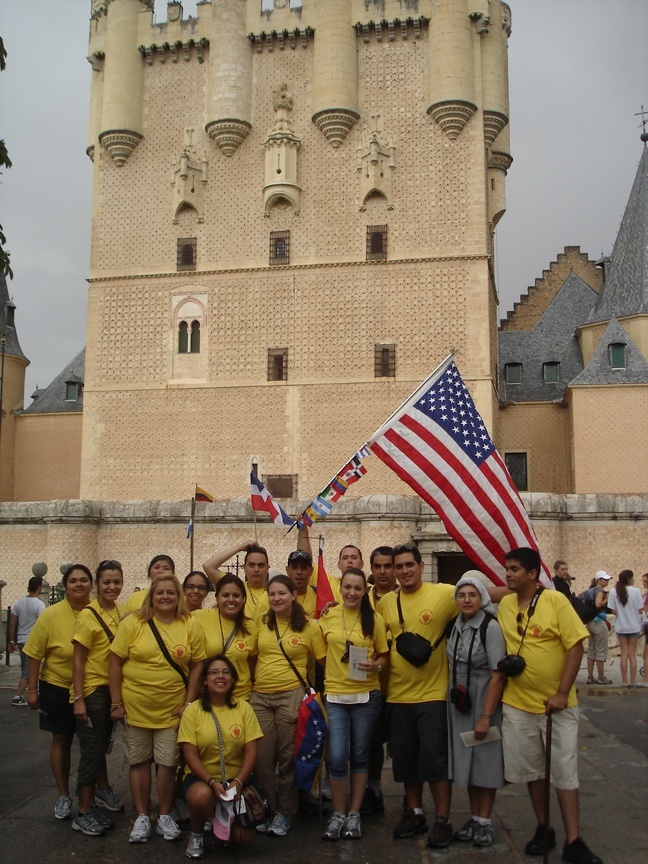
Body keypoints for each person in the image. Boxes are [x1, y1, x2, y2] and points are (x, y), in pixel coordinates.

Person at [498, 547, 602, 864]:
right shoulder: (504, 604)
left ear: (533, 574)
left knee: (564, 772)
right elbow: (470, 592)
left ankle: (574, 840)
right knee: (533, 771)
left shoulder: (556, 601)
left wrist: (561, 692)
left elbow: (576, 646)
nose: (509, 574)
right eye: (507, 569)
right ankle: (544, 827)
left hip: (557, 706)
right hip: (517, 704)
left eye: (515, 569)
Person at [109, 572, 206, 844]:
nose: (165, 597)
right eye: (160, 592)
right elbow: (115, 660)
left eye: (171, 593)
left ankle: (164, 814)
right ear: (152, 596)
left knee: (167, 763)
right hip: (135, 706)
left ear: (179, 597)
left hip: (172, 709)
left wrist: (189, 701)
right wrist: (116, 702)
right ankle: (142, 815)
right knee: (138, 761)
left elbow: (198, 663)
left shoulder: (190, 624)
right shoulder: (134, 624)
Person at [376, 543, 457, 848]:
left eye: (410, 565)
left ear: (422, 566)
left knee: (436, 760)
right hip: (398, 695)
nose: (404, 571)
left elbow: (483, 593)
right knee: (406, 762)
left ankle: (442, 819)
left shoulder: (443, 594)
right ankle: (416, 812)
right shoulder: (386, 602)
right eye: (399, 567)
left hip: (433, 695)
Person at [314, 568, 389, 841]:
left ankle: (354, 814)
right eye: (347, 587)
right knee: (336, 757)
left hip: (366, 695)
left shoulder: (375, 619)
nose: (352, 593)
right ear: (341, 588)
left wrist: (375, 666)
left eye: (358, 588)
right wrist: (337, 670)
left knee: (359, 755)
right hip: (335, 696)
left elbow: (383, 655)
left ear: (364, 591)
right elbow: (321, 655)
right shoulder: (328, 616)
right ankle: (338, 813)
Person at [249, 574, 319, 837]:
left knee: (287, 757)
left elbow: (323, 659)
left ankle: (285, 812)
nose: (276, 598)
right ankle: (266, 807)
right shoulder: (262, 623)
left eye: (281, 593)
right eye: (272, 594)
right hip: (260, 696)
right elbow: (253, 656)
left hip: (291, 694)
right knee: (262, 759)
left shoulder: (310, 627)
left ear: (293, 595)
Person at [23, 564, 93, 821]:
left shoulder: (97, 612)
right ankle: (63, 795)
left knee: (92, 745)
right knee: (61, 740)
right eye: (73, 580)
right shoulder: (51, 615)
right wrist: (32, 689)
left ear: (91, 585)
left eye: (84, 580)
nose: (79, 585)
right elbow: (33, 653)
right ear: (65, 585)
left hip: (90, 688)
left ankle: (93, 795)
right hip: (57, 686)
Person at [178, 654, 263, 859]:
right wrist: (212, 781)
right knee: (201, 796)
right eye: (214, 672)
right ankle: (197, 832)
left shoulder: (243, 708)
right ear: (205, 681)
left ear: (233, 679)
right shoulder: (193, 711)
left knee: (243, 838)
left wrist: (239, 782)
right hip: (203, 780)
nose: (220, 676)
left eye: (226, 672)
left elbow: (252, 750)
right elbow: (189, 754)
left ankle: (223, 824)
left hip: (236, 782)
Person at [446, 576, 506, 848]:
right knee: (468, 759)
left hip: (484, 699)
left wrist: (485, 716)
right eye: (462, 595)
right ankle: (474, 816)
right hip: (461, 700)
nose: (466, 600)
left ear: (482, 598)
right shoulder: (457, 625)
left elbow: (498, 673)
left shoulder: (490, 627)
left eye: (472, 595)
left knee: (486, 759)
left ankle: (485, 820)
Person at [71, 560, 125, 836]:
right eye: (106, 582)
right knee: (91, 752)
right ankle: (82, 810)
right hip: (91, 691)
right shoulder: (88, 615)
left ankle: (92, 803)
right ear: (96, 585)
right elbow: (78, 661)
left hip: (108, 690)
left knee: (100, 747)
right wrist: (78, 698)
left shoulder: (118, 612)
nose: (112, 587)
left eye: (116, 582)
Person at [363, 545, 397, 814]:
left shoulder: (404, 596)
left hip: (402, 686)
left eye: (389, 566)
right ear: (371, 569)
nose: (383, 571)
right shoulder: (361, 598)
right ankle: (372, 788)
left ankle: (411, 798)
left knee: (403, 745)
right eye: (378, 566)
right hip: (371, 685)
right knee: (372, 742)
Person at [192, 573, 258, 701]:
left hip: (241, 697)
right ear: (217, 598)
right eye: (225, 595)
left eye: (236, 596)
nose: (231, 600)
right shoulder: (199, 617)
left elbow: (252, 662)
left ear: (243, 599)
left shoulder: (250, 626)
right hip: (209, 696)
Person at [203, 542, 269, 619]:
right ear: (244, 568)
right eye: (251, 565)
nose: (256, 569)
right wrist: (239, 547)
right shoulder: (236, 588)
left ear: (268, 568)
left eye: (260, 565)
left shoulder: (275, 593)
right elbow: (208, 566)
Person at [8, 575, 45, 705]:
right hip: (32, 641)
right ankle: (17, 696)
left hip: (21, 640)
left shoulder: (19, 603)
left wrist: (11, 641)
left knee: (27, 667)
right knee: (28, 670)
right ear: (39, 587)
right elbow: (42, 624)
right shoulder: (39, 604)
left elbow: (12, 623)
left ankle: (33, 690)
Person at [607, 569, 644, 688]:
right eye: (632, 578)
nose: (634, 580)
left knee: (624, 653)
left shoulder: (613, 591)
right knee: (632, 654)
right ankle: (633, 681)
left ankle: (624, 681)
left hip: (621, 626)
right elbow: (639, 609)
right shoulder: (636, 591)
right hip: (634, 626)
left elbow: (612, 610)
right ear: (629, 579)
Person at [584, 571, 612, 685]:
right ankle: (601, 676)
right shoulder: (600, 591)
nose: (607, 581)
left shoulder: (590, 590)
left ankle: (590, 676)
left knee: (591, 650)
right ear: (598, 580)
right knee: (601, 650)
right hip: (598, 622)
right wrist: (607, 598)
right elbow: (598, 604)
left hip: (589, 622)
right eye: (604, 579)